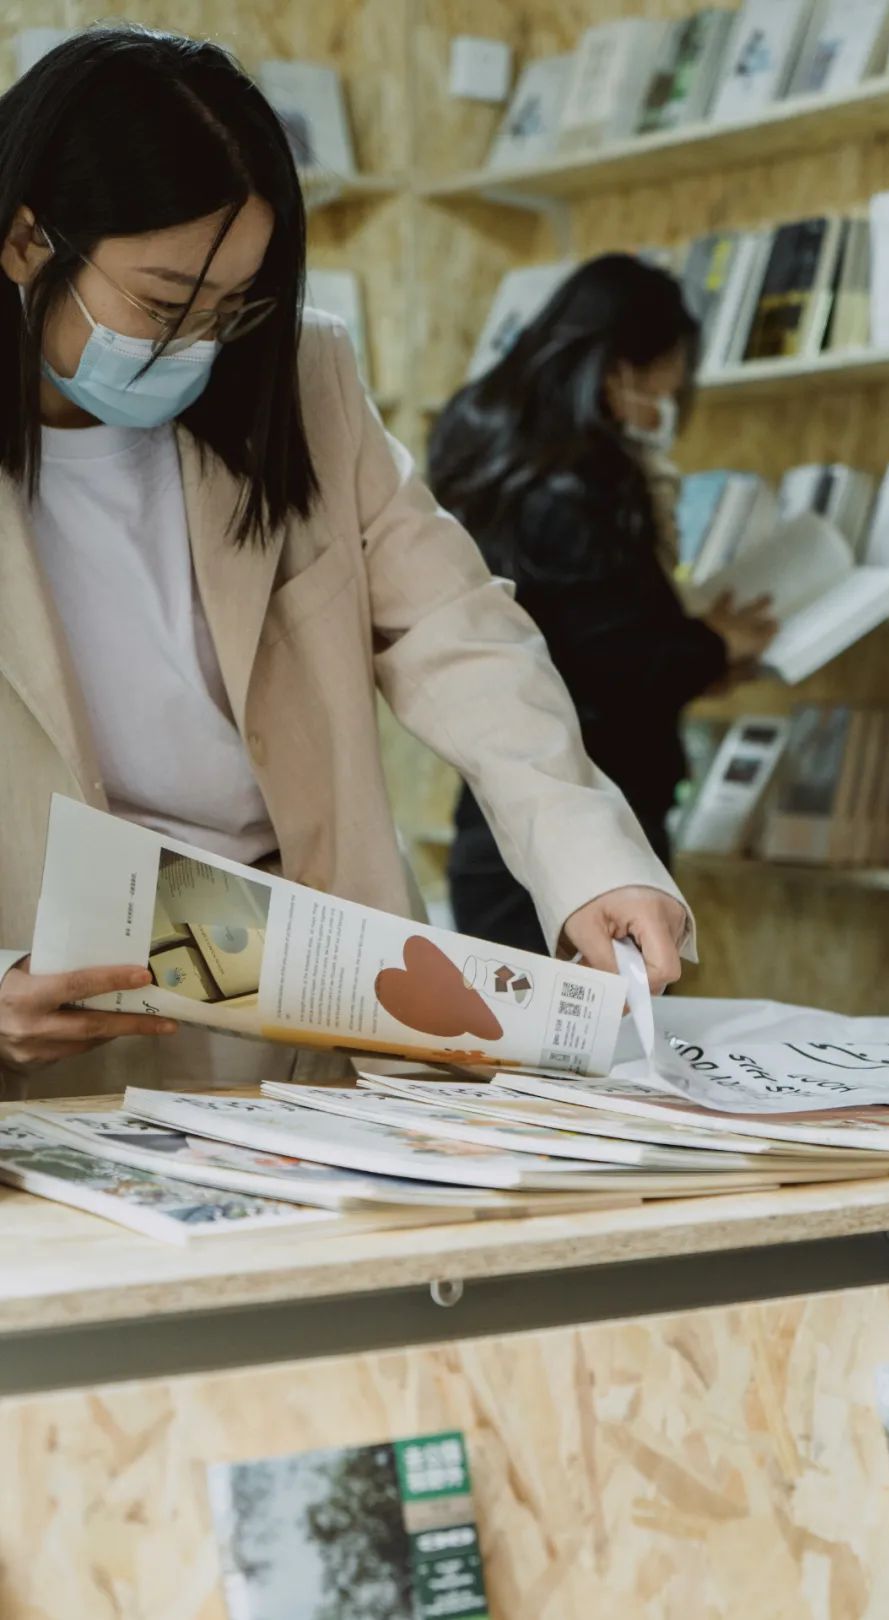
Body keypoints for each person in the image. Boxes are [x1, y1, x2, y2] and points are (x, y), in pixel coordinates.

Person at [0, 29, 694, 1099]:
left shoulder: (299, 375)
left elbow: (457, 628)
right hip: (60, 1008)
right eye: (164, 301)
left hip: (313, 984)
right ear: (25, 241)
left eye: (233, 307)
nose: (198, 344)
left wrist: (587, 858)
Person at [429, 254, 777, 956]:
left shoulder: (490, 444)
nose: (671, 398)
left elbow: (563, 641)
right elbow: (616, 655)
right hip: (594, 814)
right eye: (667, 378)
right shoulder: (582, 481)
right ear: (622, 371)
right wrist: (714, 644)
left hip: (503, 813)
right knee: (595, 1041)